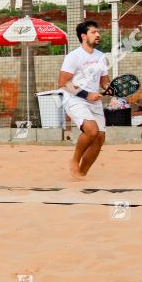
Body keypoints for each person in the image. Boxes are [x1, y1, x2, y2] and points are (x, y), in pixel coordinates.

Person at [59, 20, 110, 180]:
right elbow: (63, 83)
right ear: (83, 36)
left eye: (97, 32)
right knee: (91, 130)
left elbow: (104, 81)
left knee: (100, 137)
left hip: (94, 101)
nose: (98, 35)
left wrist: (111, 89)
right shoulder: (73, 56)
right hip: (75, 99)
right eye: (93, 32)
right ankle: (75, 159)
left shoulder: (101, 56)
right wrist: (87, 95)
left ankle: (81, 173)